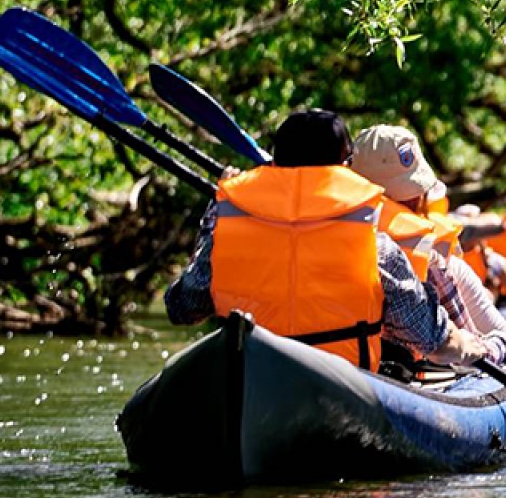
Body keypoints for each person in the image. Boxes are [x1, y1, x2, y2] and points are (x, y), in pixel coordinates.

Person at [164, 109, 489, 370]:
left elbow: (182, 308)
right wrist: (471, 346)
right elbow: (428, 336)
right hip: (344, 382)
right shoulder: (374, 244)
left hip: (251, 372)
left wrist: (216, 214)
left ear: (275, 163)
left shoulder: (228, 230)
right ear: (346, 168)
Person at [349, 125, 506, 392]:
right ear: (419, 196)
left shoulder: (329, 239)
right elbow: (473, 345)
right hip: (409, 377)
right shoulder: (432, 258)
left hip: (337, 371)